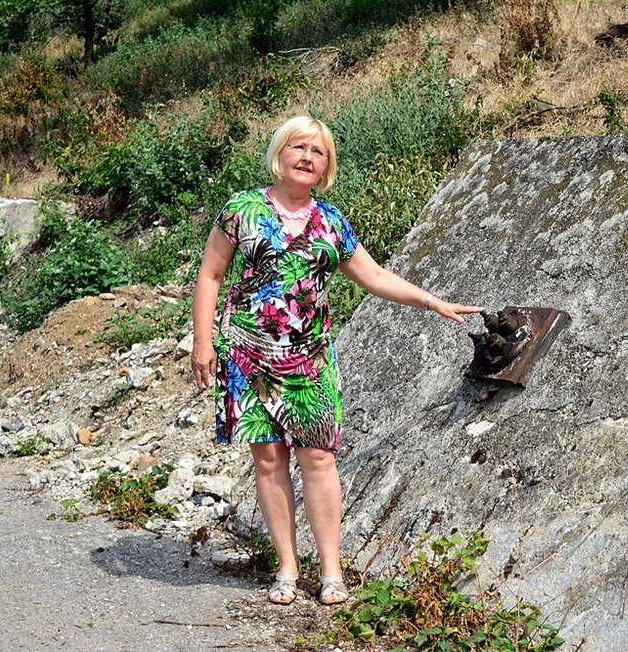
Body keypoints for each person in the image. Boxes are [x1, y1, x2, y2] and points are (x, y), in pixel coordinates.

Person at [190, 115, 483, 606]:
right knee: (267, 459)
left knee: (319, 459)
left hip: (309, 359)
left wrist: (433, 301)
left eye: (318, 152)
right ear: (279, 154)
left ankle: (330, 570)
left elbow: (374, 276)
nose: (307, 158)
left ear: (326, 166)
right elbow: (211, 274)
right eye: (298, 147)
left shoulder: (331, 221)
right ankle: (286, 567)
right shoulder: (240, 210)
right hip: (248, 355)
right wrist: (203, 343)